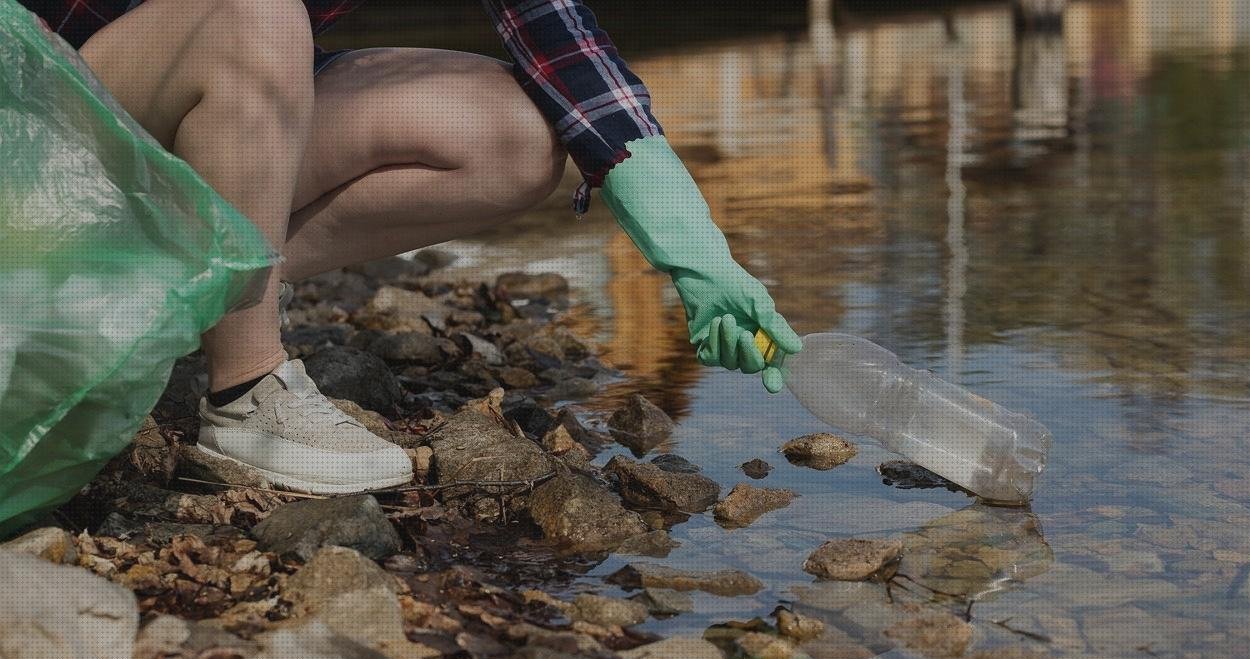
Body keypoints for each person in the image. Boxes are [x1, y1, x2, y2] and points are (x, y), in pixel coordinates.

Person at [21, 0, 802, 494]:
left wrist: (695, 249)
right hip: (30, 133)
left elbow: (560, 41)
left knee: (513, 133)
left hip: (171, 116)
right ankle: (245, 394)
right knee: (256, 12)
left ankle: (176, 289)